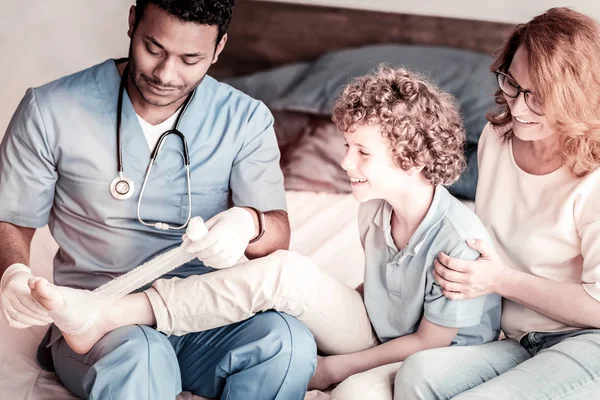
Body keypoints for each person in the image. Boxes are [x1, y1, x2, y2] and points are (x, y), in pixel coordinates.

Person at [25, 66, 501, 398]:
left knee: (301, 308)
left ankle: (114, 310)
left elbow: (429, 343)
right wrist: (329, 324)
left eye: (361, 153)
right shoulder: (373, 210)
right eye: (346, 147)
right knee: (284, 281)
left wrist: (331, 368)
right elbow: (381, 290)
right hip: (380, 333)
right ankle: (115, 312)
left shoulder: (456, 236)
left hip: (430, 356)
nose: (344, 163)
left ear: (413, 160)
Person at [0, 1, 317, 399]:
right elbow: (11, 215)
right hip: (97, 319)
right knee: (143, 356)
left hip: (204, 314)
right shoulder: (50, 110)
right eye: (154, 49)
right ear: (132, 23)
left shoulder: (245, 120)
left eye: (190, 59)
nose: (166, 74)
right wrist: (12, 273)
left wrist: (249, 223)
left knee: (287, 342)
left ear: (219, 49)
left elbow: (278, 234)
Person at [390, 7, 600, 399]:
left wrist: (501, 280)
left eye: (538, 97)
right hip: (520, 339)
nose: (518, 108)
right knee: (417, 374)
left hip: (591, 343)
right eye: (512, 85)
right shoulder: (497, 138)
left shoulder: (594, 177)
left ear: (575, 95)